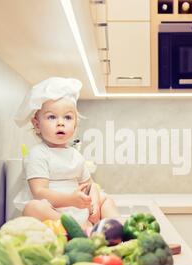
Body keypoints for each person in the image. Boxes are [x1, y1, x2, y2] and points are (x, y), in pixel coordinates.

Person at [13, 77, 120, 228]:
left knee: (105, 198)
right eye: (52, 117)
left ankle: (116, 229)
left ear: (76, 124)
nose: (61, 122)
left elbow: (90, 185)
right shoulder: (38, 154)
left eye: (68, 117)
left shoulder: (76, 155)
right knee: (33, 207)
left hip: (79, 208)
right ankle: (79, 229)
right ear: (36, 125)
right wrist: (70, 200)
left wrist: (94, 201)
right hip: (55, 214)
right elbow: (39, 192)